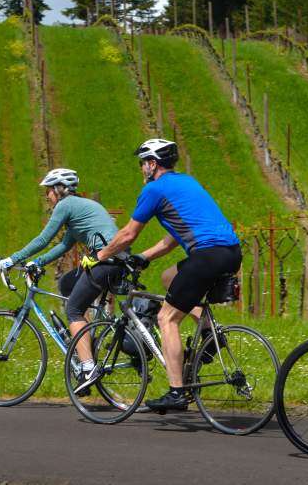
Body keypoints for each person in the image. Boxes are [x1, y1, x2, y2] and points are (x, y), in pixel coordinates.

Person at [80, 138, 242, 411]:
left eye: (143, 163)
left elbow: (128, 233)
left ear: (153, 164)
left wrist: (99, 256)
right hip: (230, 251)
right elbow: (175, 237)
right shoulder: (187, 182)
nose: (142, 168)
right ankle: (209, 335)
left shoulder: (154, 190)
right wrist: (144, 257)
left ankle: (176, 391)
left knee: (166, 318)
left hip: (206, 256)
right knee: (169, 278)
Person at [0, 168, 127, 393]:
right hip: (115, 261)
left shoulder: (65, 205)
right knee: (67, 284)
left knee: (74, 310)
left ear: (59, 190)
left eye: (48, 191)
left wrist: (12, 259)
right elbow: (64, 245)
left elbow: (44, 238)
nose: (47, 196)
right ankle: (85, 344)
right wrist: (38, 262)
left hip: (105, 262)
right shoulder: (78, 207)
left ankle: (88, 368)